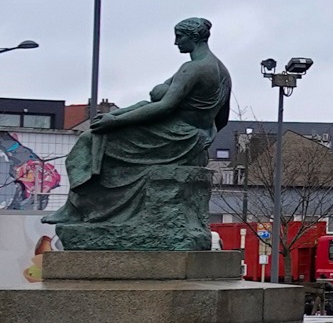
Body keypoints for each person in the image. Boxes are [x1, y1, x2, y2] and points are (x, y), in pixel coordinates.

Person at [47, 17, 230, 248]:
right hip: (192, 136)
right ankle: (86, 209)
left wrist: (115, 122)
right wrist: (206, 133)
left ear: (193, 37)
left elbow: (164, 106)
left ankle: (75, 209)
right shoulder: (222, 70)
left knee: (89, 141)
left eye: (179, 37)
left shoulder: (194, 68)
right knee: (105, 135)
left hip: (177, 137)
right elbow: (222, 118)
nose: (176, 43)